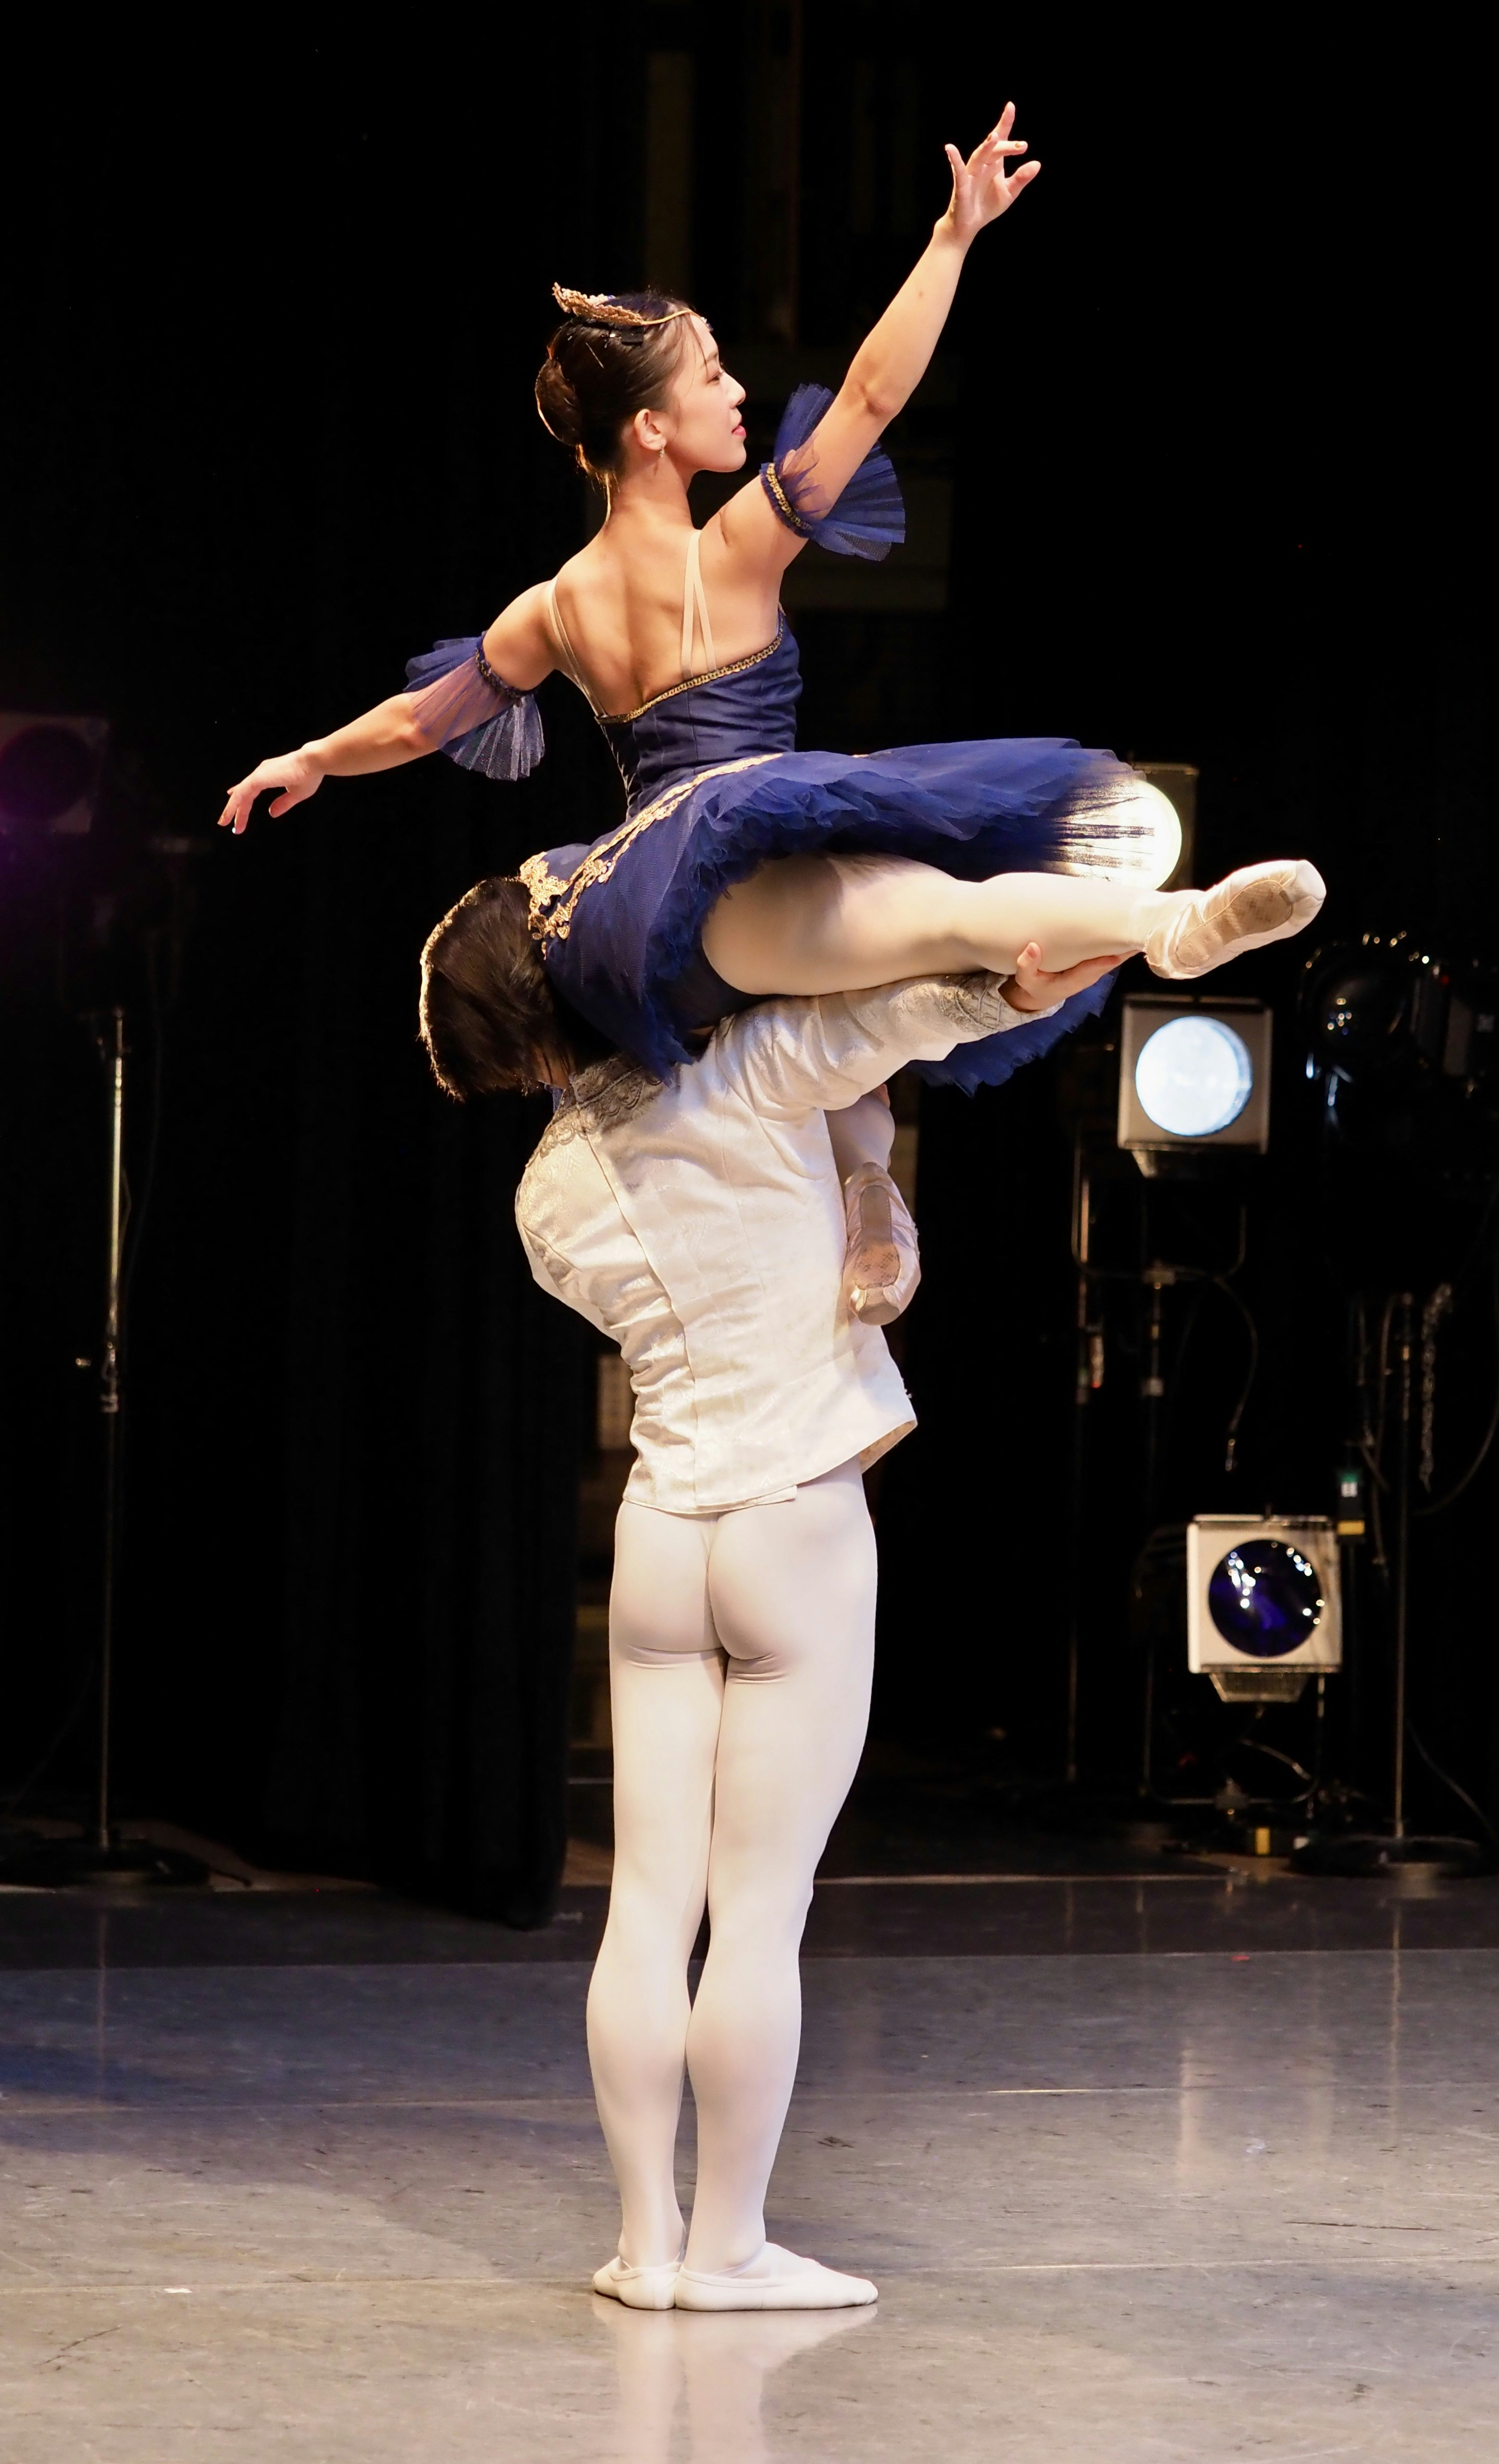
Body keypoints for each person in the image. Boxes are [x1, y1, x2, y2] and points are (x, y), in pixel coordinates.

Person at [220, 104, 1325, 1093]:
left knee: (903, 968)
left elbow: (419, 723)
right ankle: (1174, 927)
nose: (738, 387)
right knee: (942, 919)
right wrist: (952, 239)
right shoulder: (735, 548)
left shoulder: (552, 609)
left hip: (670, 901)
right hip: (726, 871)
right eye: (711, 374)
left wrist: (312, 757)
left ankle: (1125, 965)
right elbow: (873, 395)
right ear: (651, 429)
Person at [419, 874, 1113, 2309]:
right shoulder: (742, 1069)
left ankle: (644, 2244)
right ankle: (726, 2246)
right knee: (758, 1911)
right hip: (792, 1517)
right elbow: (902, 1015)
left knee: (647, 1904)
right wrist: (1020, 977)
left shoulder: (545, 1193)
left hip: (662, 1533)